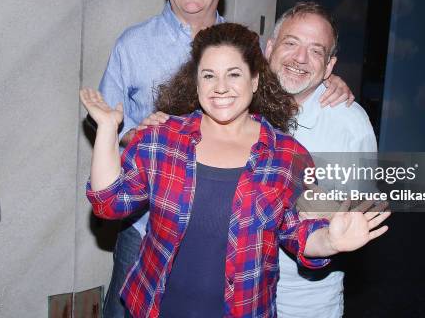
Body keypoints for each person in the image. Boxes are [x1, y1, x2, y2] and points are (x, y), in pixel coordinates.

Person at [98, 0, 354, 317]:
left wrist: (325, 80)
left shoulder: (243, 43)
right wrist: (142, 136)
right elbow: (110, 153)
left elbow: (291, 68)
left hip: (240, 245)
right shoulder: (132, 46)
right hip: (146, 222)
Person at [82, 23, 390, 318]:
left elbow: (299, 234)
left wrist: (330, 241)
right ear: (196, 81)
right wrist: (108, 129)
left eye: (234, 74)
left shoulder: (287, 156)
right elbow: (109, 203)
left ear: (255, 80)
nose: (220, 88)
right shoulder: (162, 138)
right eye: (208, 75)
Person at [265, 2, 378, 317]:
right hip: (235, 292)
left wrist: (312, 201)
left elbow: (363, 214)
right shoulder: (241, 103)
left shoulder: (350, 124)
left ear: (329, 67)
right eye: (291, 43)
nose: (300, 58)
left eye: (316, 51)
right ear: (270, 48)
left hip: (304, 300)